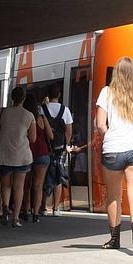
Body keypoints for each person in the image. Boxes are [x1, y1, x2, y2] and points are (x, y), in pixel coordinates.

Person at [96, 56, 133, 256]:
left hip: (113, 150)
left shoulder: (106, 93)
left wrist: (110, 135)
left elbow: (100, 124)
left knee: (114, 196)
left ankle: (114, 239)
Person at [0, 86, 36, 228]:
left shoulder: (3, 112)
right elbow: (33, 138)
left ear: (12, 97)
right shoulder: (29, 115)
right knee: (19, 187)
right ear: (23, 98)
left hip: (4, 154)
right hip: (21, 155)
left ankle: (5, 206)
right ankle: (16, 218)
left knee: (5, 185)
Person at [41, 84, 73, 216]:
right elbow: (69, 130)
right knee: (58, 175)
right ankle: (56, 208)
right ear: (59, 94)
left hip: (45, 146)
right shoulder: (65, 110)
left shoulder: (42, 109)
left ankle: (42, 206)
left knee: (43, 175)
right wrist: (66, 143)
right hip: (60, 148)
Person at [22, 94, 53, 223]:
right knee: (38, 185)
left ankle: (25, 211)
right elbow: (51, 136)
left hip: (27, 153)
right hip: (43, 154)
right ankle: (36, 213)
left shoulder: (24, 118)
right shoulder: (41, 118)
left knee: (26, 184)